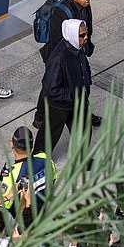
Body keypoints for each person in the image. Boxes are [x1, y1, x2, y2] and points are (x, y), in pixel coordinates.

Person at [35, 0, 101, 129]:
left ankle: (86, 113)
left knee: (83, 81)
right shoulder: (61, 13)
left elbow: (87, 27)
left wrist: (86, 46)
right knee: (50, 85)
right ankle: (39, 116)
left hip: (77, 50)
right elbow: (58, 41)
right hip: (57, 55)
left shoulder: (85, 6)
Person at [34, 19, 92, 154]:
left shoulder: (77, 48)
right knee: (48, 136)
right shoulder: (58, 58)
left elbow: (84, 66)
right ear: (72, 35)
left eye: (86, 34)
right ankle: (38, 164)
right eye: (82, 35)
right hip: (61, 105)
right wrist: (72, 96)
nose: (86, 37)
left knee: (83, 131)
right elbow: (50, 88)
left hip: (78, 101)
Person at [1, 126, 56, 212]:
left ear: (12, 146)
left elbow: (6, 205)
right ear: (32, 146)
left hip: (28, 218)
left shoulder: (11, 175)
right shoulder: (45, 158)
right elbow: (53, 178)